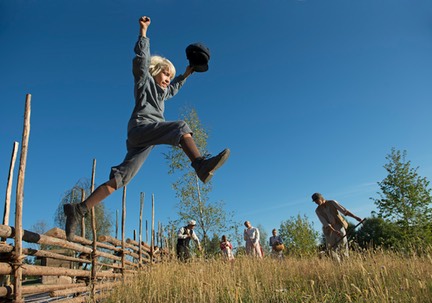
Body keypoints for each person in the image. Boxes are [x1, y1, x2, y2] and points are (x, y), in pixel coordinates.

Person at [63, 16, 230, 241]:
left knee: (120, 179)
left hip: (146, 139)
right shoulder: (144, 82)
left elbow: (174, 88)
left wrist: (187, 73)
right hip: (141, 128)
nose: (167, 79)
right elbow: (142, 61)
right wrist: (143, 33)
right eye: (164, 74)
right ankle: (199, 164)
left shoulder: (163, 93)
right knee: (181, 126)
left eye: (169, 77)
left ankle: (79, 210)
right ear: (154, 71)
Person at [311, 192, 363, 262]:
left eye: (317, 200)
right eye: (315, 201)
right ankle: (337, 266)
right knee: (331, 249)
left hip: (339, 226)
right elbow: (325, 223)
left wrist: (355, 217)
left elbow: (345, 211)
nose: (316, 202)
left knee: (343, 247)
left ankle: (345, 264)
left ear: (321, 198)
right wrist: (334, 231)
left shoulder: (332, 202)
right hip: (329, 231)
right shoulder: (317, 211)